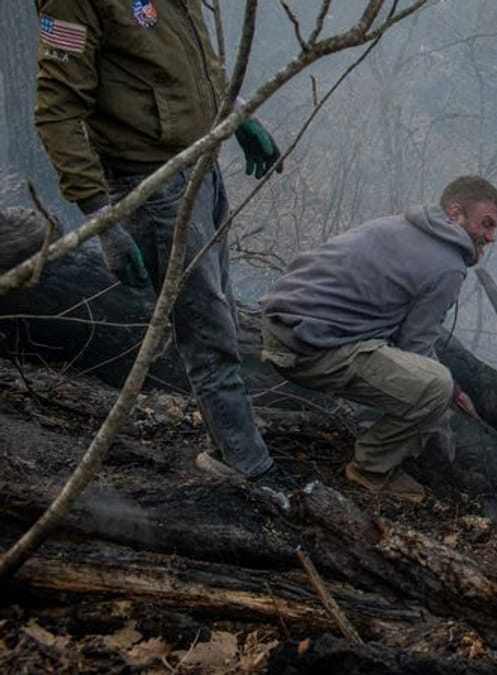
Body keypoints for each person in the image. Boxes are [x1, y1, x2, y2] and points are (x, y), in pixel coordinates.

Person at [33, 1, 292, 494]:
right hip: (154, 185)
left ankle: (233, 441)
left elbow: (192, 62)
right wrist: (102, 218)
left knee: (219, 316)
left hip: (201, 166)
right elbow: (58, 111)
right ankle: (248, 467)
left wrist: (235, 119)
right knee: (206, 330)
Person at [259, 176, 497, 502]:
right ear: (456, 212)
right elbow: (415, 349)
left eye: (494, 228)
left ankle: (384, 440)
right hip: (307, 348)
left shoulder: (401, 225)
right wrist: (450, 402)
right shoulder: (448, 266)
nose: (490, 237)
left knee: (425, 381)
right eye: (486, 224)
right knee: (435, 385)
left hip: (279, 325)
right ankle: (370, 470)